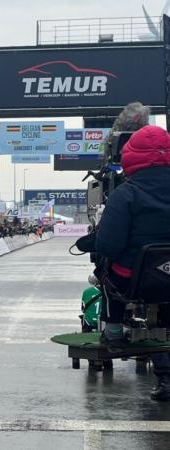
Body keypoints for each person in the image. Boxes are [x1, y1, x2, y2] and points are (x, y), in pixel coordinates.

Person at [94, 124, 170, 400]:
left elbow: (108, 245)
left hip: (132, 281)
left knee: (104, 267)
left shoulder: (125, 194)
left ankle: (113, 329)